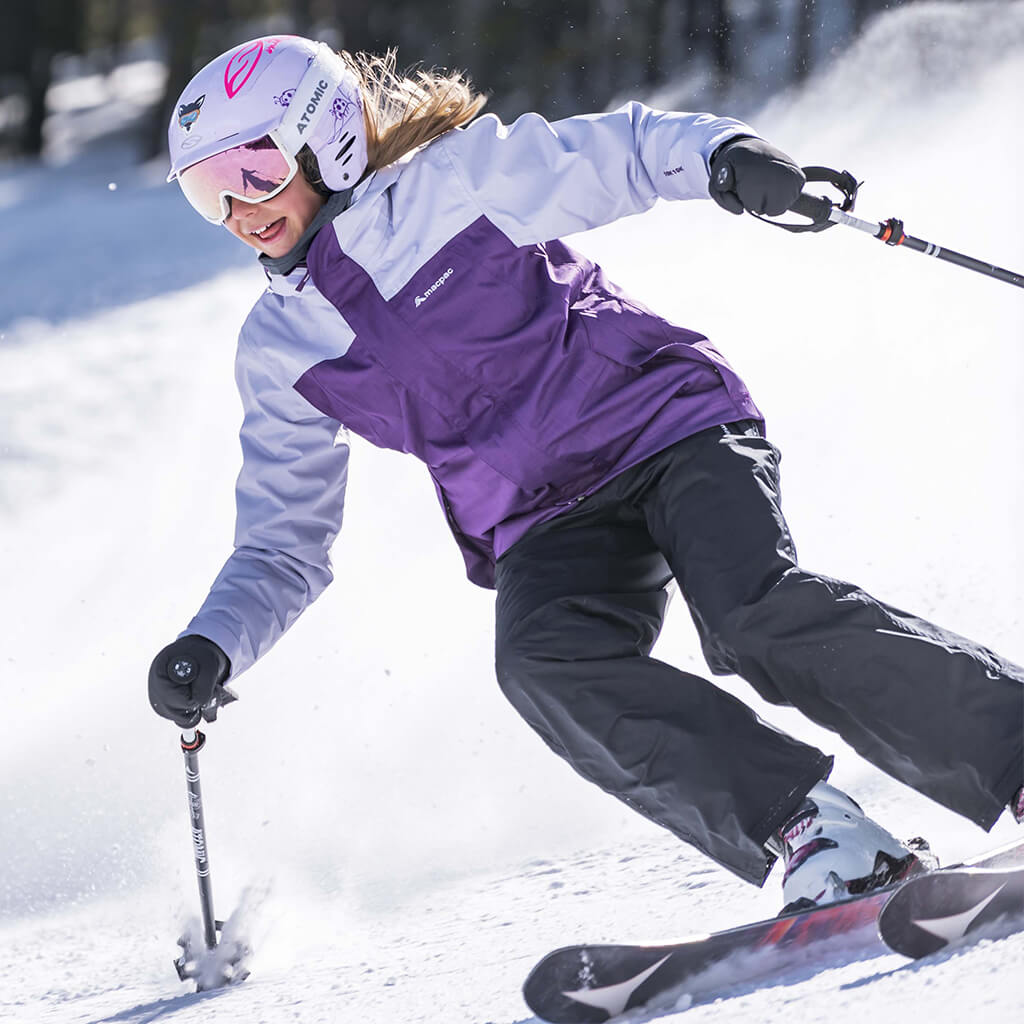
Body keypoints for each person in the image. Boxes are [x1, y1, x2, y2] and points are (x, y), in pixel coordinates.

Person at [148, 34, 1024, 912]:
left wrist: (725, 156)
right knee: (543, 661)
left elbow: (627, 153)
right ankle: (811, 829)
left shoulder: (453, 185)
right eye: (205, 192)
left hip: (666, 426)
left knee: (751, 613)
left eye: (254, 171)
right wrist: (214, 642)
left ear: (325, 137)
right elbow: (284, 544)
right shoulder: (281, 351)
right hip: (545, 521)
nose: (238, 209)